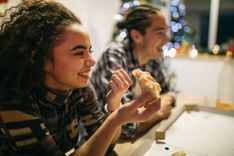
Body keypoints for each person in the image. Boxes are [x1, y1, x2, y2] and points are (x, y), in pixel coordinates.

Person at [0, 1, 161, 156]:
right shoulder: (14, 101)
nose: (92, 61)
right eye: (79, 52)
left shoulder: (78, 88)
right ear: (44, 61)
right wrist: (116, 119)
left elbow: (107, 145)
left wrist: (114, 105)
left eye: (89, 51)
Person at [91, 4, 175, 139]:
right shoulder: (114, 56)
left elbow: (170, 92)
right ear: (136, 36)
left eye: (166, 32)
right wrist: (158, 113)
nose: (167, 39)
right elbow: (124, 127)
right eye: (160, 33)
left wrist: (164, 101)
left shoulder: (151, 60)